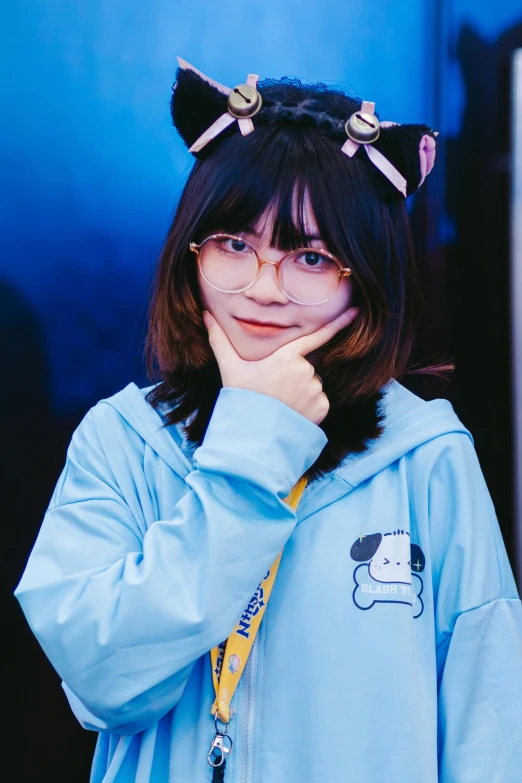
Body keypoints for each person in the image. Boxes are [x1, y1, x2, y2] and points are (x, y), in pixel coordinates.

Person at [14, 57, 522, 783]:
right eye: (234, 245)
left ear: (369, 278)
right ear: (192, 252)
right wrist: (249, 452)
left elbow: (489, 722)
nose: (263, 289)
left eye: (311, 258)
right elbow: (104, 681)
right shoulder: (122, 441)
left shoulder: (428, 454)